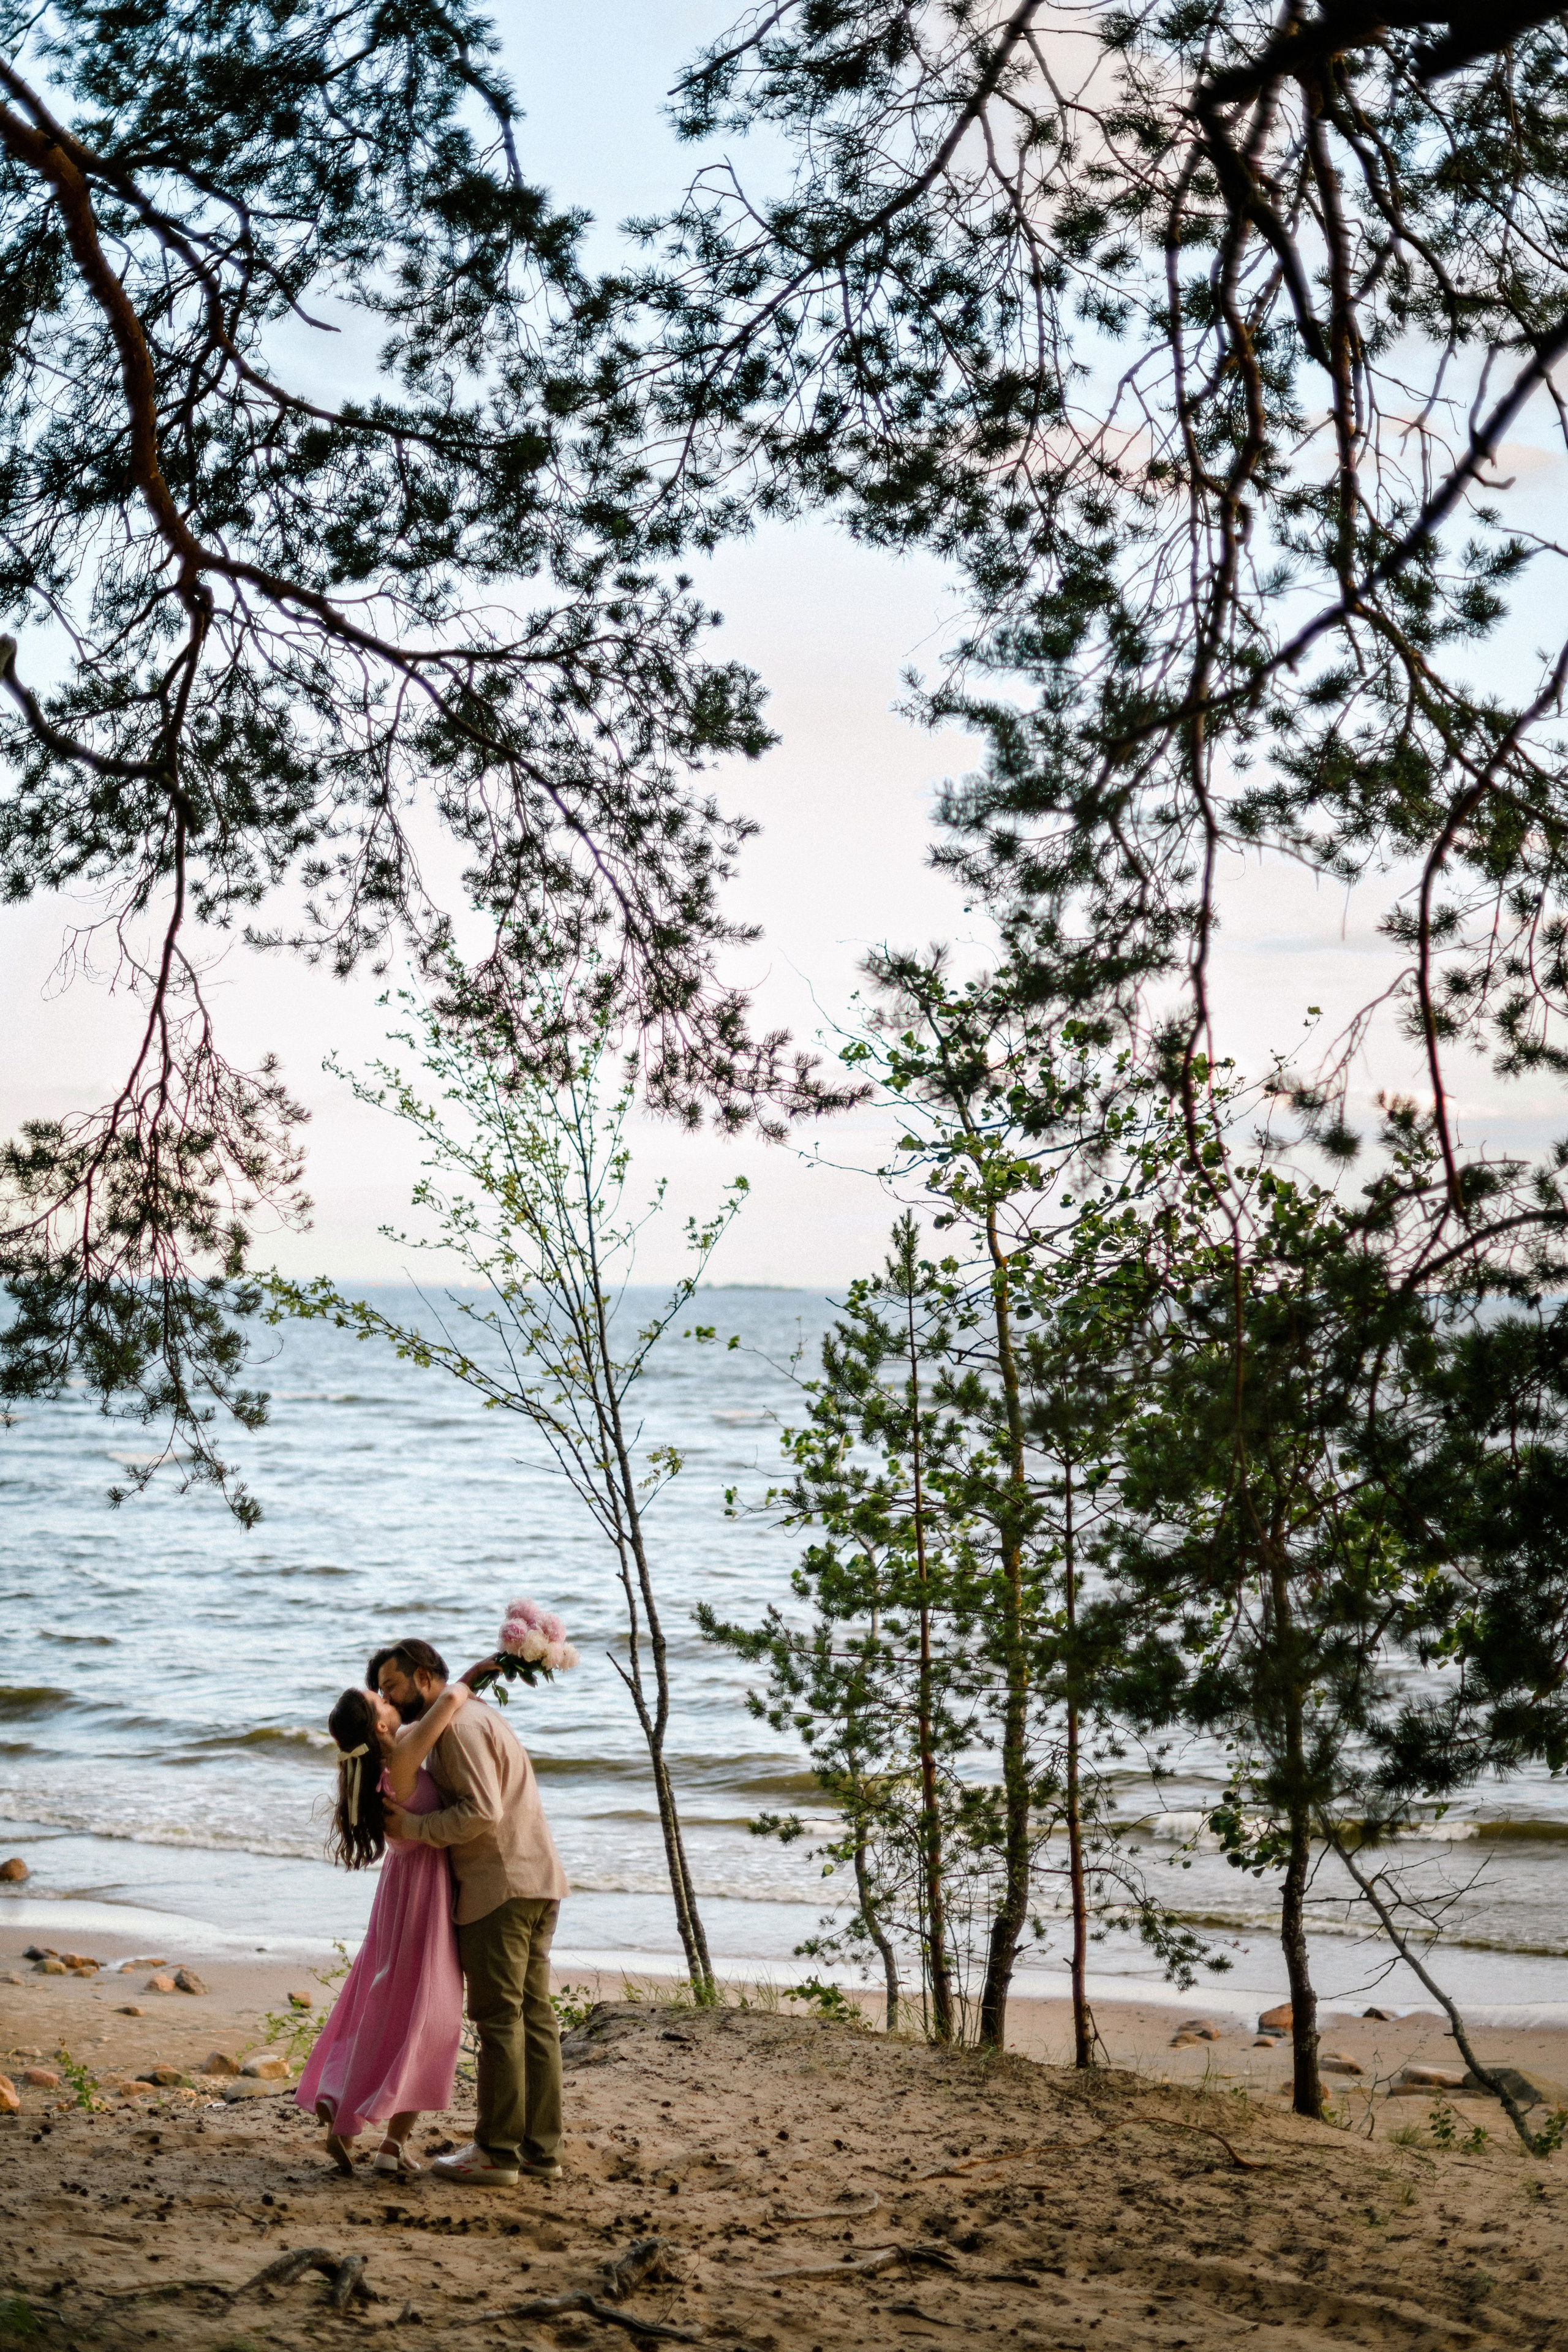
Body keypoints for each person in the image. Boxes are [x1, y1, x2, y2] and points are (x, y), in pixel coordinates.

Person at [371, 1636, 568, 2188]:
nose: (389, 1696)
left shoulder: (454, 1729)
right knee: (535, 2017)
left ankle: (498, 2151)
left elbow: (481, 1810)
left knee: (501, 2019)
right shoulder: (470, 1714)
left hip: (497, 1886)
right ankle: (540, 2151)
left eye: (393, 1685)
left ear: (425, 1678)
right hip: (535, 1877)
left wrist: (414, 1828)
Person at [298, 1664, 484, 2176]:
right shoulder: (402, 1758)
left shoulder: (376, 1774)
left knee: (383, 2004)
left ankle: (348, 2107)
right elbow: (450, 1701)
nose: (388, 1698)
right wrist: (490, 1668)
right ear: (381, 1728)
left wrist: (483, 1669)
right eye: (379, 1699)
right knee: (431, 2017)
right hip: (424, 1902)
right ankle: (388, 2144)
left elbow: (445, 1700)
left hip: (398, 1898)